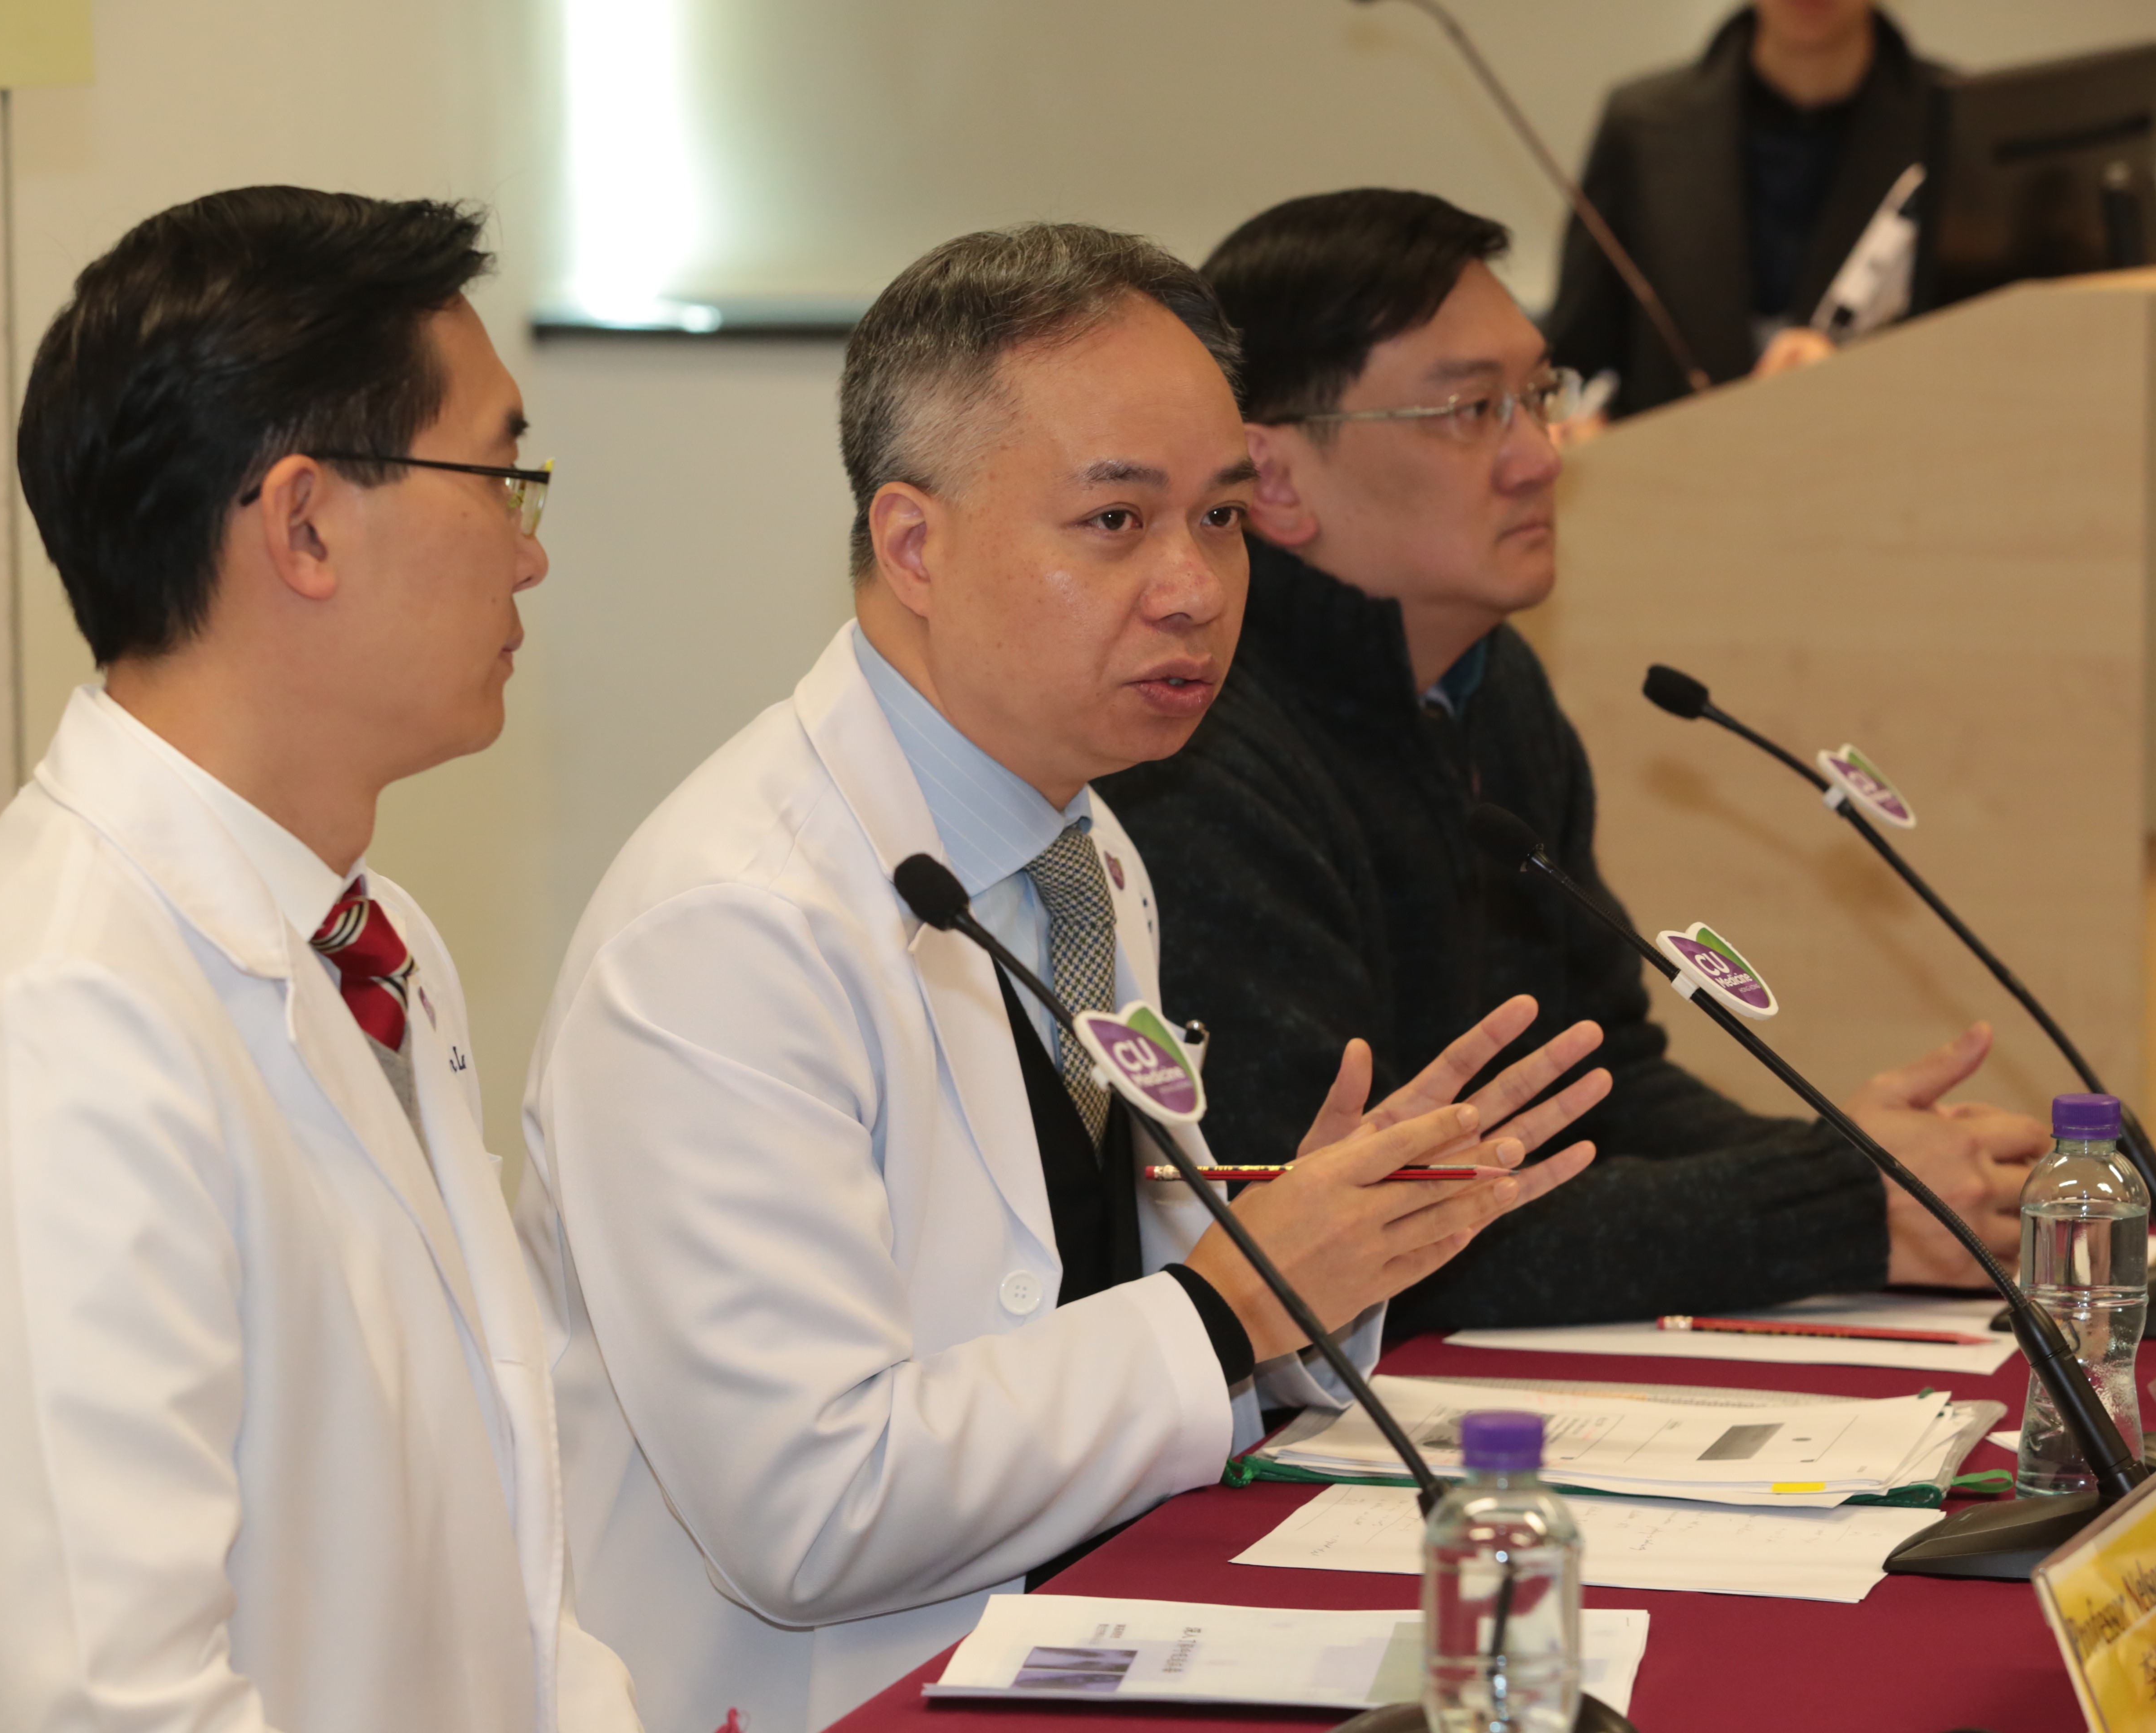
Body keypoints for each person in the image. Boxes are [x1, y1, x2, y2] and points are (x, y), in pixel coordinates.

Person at [517, 222, 1608, 1733]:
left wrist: (1326, 1238)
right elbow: (811, 1514)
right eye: (1115, 523)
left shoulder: (1083, 845)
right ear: (916, 545)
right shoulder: (730, 930)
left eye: (1223, 519)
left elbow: (1101, 1296)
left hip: (1077, 1646)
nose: (1192, 588)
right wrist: (1235, 1301)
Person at [0, 188, 638, 1733]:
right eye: (504, 479)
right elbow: (104, 1716)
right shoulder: (54, 1042)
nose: (533, 561)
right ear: (303, 521)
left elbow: (515, 1577)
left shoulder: (361, 931)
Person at [1101, 189, 2049, 1334]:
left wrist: (1890, 1170)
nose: (1537, 457)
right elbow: (1362, 1240)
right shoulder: (1195, 758)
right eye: (1468, 411)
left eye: (1538, 397)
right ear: (1277, 478)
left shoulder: (1490, 691)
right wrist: (1839, 1198)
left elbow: (1599, 1084)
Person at [1548, 0, 1944, 418]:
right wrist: (1578, 422)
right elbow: (1573, 359)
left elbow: (1975, 354)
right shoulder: (1639, 126)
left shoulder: (1955, 123)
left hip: (1883, 459)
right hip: (1677, 466)